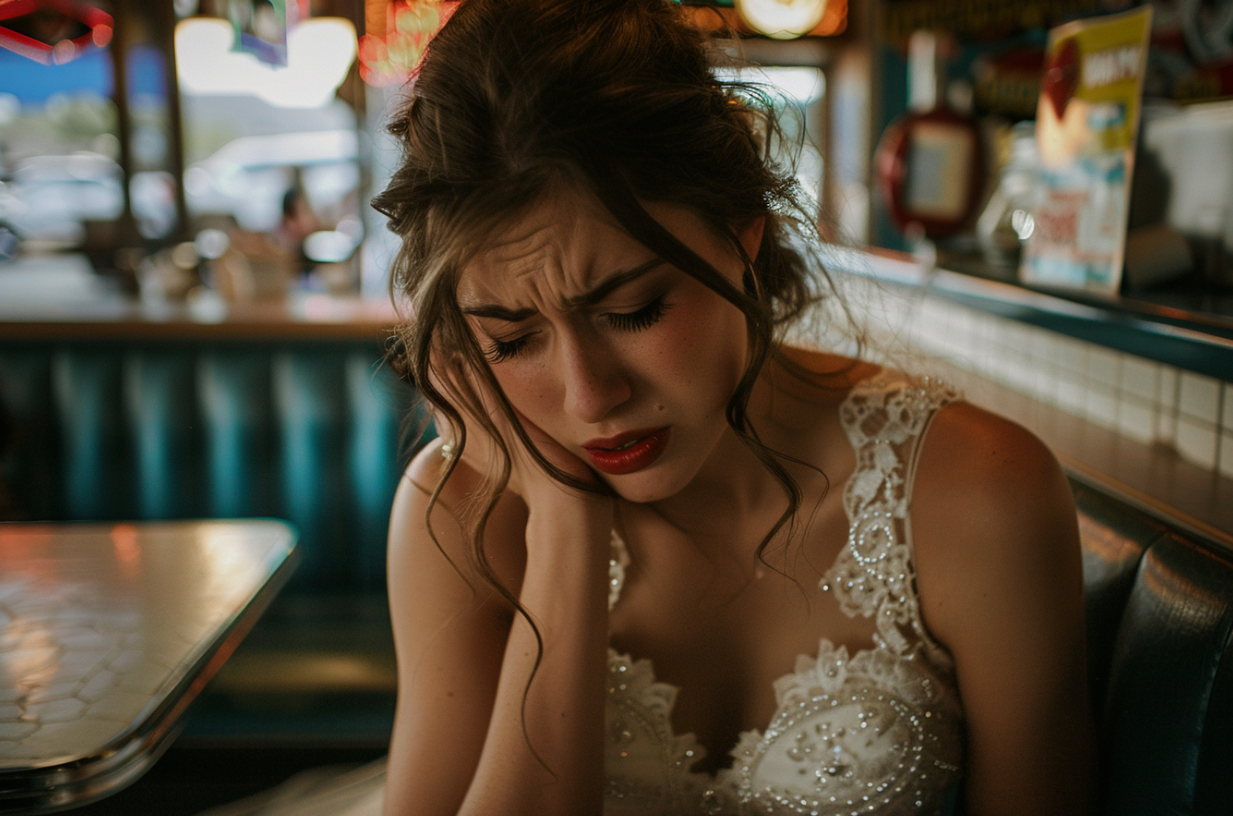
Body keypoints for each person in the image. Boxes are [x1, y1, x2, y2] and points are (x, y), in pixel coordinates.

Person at [203, 1, 1095, 814]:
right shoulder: (460, 509)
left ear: (743, 236)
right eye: (513, 340)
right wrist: (562, 525)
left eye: (632, 311)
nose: (591, 398)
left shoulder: (975, 495)